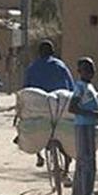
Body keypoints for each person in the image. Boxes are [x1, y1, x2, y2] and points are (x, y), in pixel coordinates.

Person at [67, 57, 98, 195]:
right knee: (87, 165)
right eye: (86, 69)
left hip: (88, 126)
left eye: (92, 69)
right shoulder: (80, 87)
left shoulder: (88, 86)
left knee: (84, 164)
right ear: (79, 72)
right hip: (83, 127)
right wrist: (95, 115)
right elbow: (72, 108)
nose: (90, 72)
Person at [24, 40, 75, 170]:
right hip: (60, 105)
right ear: (52, 52)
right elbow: (71, 86)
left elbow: (26, 89)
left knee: (32, 123)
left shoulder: (33, 67)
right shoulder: (61, 65)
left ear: (39, 53)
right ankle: (67, 167)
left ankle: (38, 155)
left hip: (40, 106)